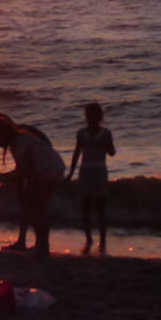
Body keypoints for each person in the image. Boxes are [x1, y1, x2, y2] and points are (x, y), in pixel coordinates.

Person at [0, 114, 65, 256]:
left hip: (48, 169)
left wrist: (1, 178)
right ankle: (40, 245)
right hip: (47, 168)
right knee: (34, 206)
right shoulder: (17, 142)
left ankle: (42, 246)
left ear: (3, 133)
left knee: (38, 208)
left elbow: (23, 171)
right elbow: (22, 170)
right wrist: (4, 178)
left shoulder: (21, 141)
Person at [67, 102, 117, 254]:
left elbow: (77, 154)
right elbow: (112, 152)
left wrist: (71, 173)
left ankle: (94, 239)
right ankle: (95, 239)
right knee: (93, 207)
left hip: (91, 170)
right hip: (95, 171)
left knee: (92, 207)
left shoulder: (87, 133)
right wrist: (71, 173)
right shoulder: (99, 133)